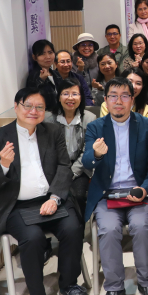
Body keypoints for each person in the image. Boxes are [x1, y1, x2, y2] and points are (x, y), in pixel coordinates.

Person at [0, 88, 90, 295]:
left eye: (39, 107)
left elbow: (64, 167)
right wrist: (3, 166)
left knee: (73, 228)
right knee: (33, 237)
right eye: (28, 105)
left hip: (51, 199)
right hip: (16, 206)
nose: (33, 111)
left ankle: (68, 285)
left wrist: (55, 198)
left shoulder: (53, 131)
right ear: (16, 106)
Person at [82, 77, 148, 295]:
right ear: (105, 100)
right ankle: (115, 288)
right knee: (108, 229)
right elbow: (87, 161)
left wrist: (145, 189)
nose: (119, 101)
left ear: (132, 99)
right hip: (107, 195)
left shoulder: (147, 126)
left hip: (138, 193)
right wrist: (96, 154)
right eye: (113, 96)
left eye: (124, 96)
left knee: (142, 226)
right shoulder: (96, 127)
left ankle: (146, 282)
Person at [44, 78, 97, 219]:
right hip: (55, 167)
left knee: (78, 195)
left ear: (81, 97)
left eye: (75, 94)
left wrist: (71, 173)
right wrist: (61, 173)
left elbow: (87, 151)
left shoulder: (90, 119)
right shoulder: (47, 119)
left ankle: (78, 228)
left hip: (80, 168)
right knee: (46, 194)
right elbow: (47, 150)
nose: (70, 98)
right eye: (65, 94)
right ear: (59, 97)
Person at [26, 39, 59, 111]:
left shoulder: (56, 74)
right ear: (34, 57)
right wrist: (41, 81)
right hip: (44, 114)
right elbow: (32, 98)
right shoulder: (34, 76)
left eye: (50, 52)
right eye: (42, 54)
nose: (48, 57)